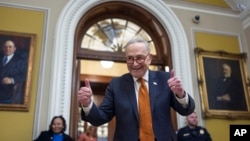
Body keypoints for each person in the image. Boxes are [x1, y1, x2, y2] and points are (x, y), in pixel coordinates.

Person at [78, 38, 195, 141]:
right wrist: (88, 104)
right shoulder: (117, 84)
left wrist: (180, 94)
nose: (134, 64)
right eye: (130, 58)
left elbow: (186, 111)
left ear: (149, 58)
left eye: (139, 58)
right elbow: (100, 118)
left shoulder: (164, 79)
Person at [0, 39, 27, 104]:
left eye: (10, 47)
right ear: (2, 48)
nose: (7, 49)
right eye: (5, 47)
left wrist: (12, 80)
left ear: (14, 49)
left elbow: (24, 75)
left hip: (10, 92)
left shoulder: (20, 61)